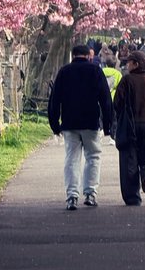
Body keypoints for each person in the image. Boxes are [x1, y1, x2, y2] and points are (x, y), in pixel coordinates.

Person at [47, 43, 114, 209]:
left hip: (69, 123)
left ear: (73, 55)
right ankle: (90, 193)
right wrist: (107, 125)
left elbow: (54, 100)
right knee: (93, 156)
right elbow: (106, 99)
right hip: (90, 122)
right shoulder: (96, 71)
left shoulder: (64, 72)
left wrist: (55, 125)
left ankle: (71, 196)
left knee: (72, 158)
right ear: (89, 56)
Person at [112, 49, 145, 205]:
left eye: (129, 62)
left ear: (136, 64)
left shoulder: (127, 81)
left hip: (130, 126)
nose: (127, 65)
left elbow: (117, 103)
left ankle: (132, 197)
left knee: (130, 160)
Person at [100, 47, 123, 146]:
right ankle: (113, 137)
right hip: (114, 98)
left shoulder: (101, 71)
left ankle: (100, 130)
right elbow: (120, 87)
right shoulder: (118, 74)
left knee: (100, 116)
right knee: (114, 118)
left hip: (102, 98)